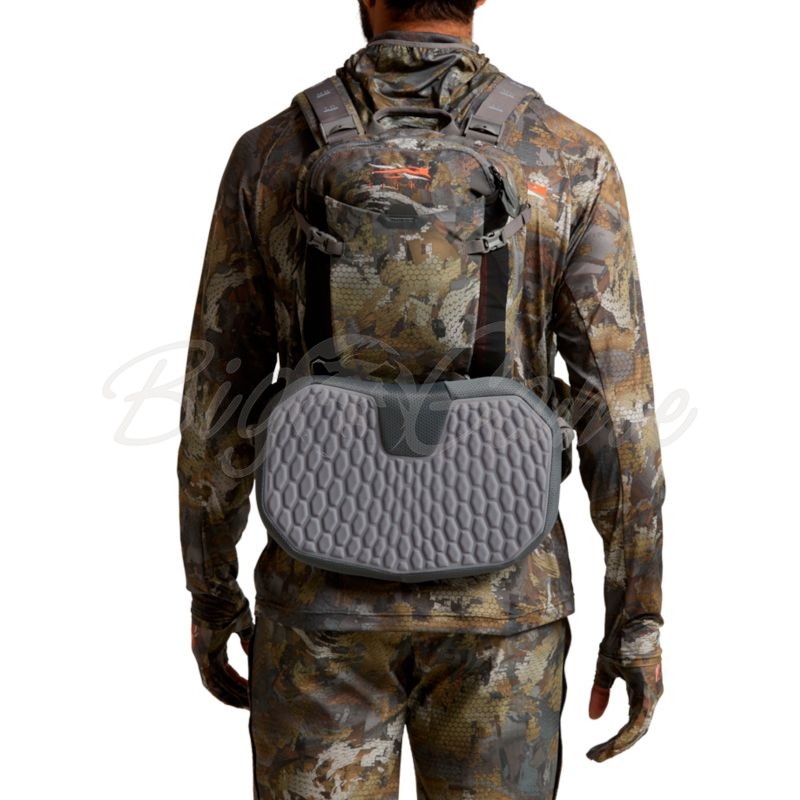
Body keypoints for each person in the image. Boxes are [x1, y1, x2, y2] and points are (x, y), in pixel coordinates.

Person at [177, 1, 666, 797]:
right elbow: (622, 418)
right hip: (506, 609)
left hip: (317, 605)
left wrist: (212, 592)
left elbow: (214, 412)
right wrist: (636, 618)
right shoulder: (568, 157)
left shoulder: (270, 156)